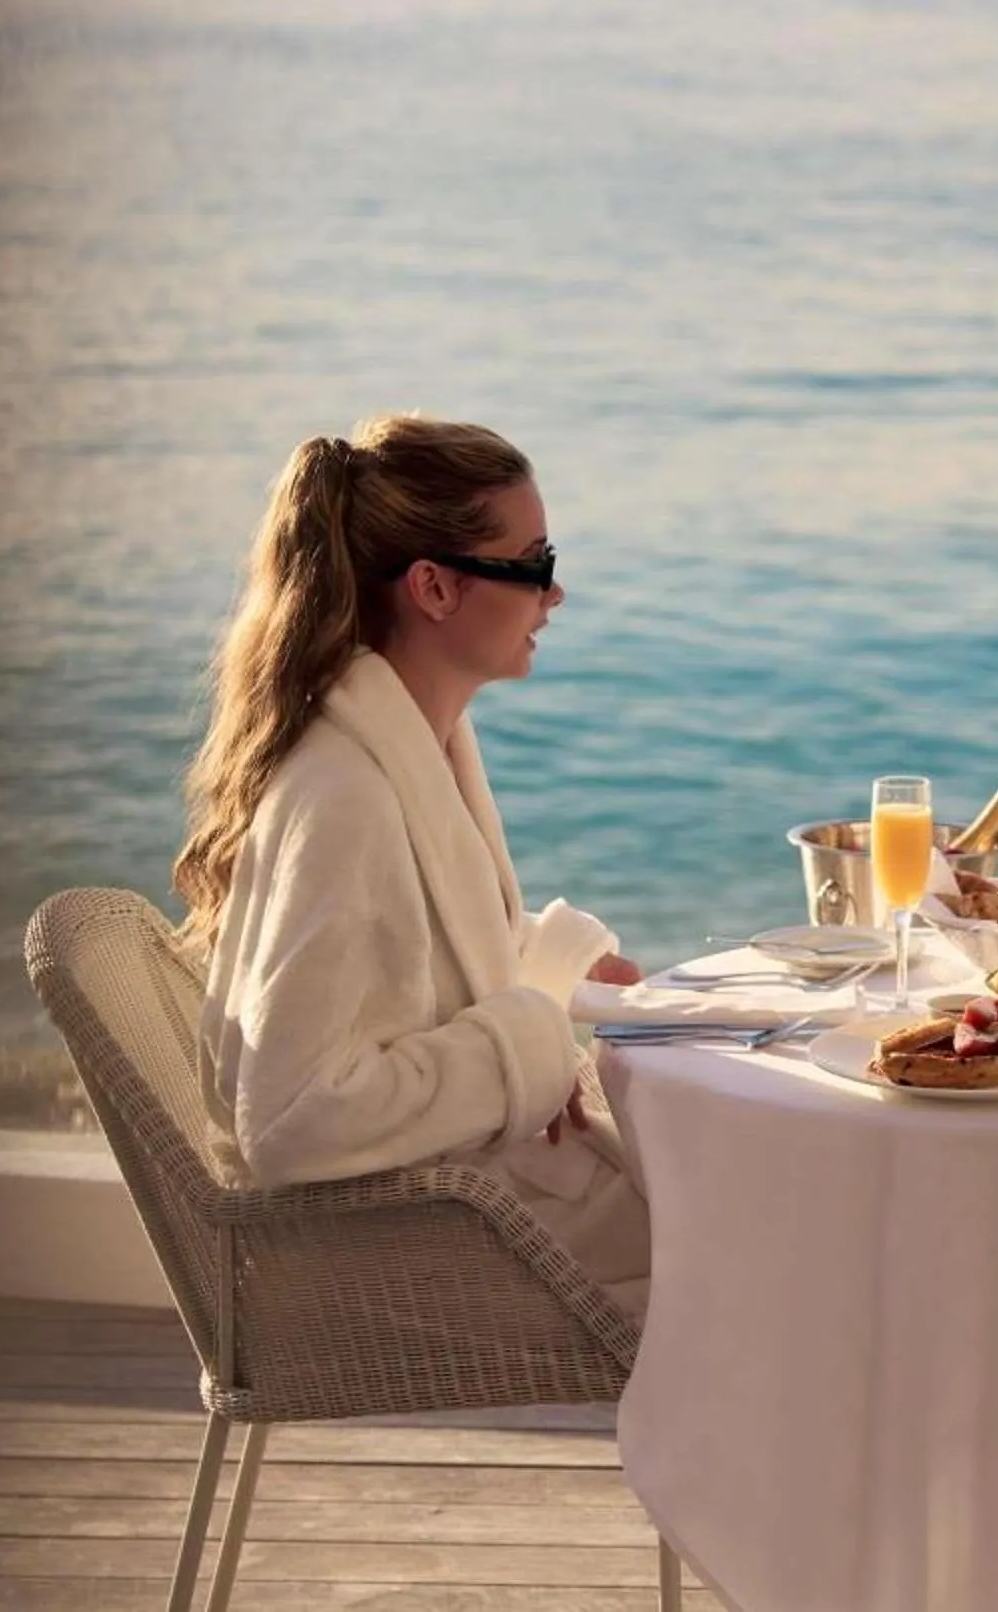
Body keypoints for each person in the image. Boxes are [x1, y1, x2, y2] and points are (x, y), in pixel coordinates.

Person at [178, 416, 651, 1314]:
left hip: (461, 1197)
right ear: (434, 587)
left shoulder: (417, 740)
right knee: (767, 1245)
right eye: (534, 563)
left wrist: (551, 968)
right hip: (405, 1252)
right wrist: (528, 1046)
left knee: (762, 1207)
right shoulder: (343, 794)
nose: (555, 595)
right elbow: (291, 1121)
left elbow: (410, 960)